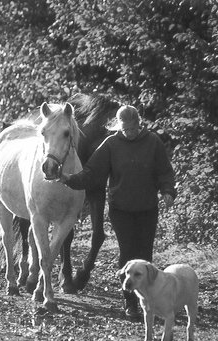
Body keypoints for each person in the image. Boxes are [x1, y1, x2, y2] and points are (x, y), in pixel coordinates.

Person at [60, 105, 177, 318]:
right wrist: (69, 179)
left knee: (145, 256)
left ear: (139, 125)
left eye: (132, 129)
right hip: (121, 209)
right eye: (124, 129)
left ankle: (146, 299)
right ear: (118, 126)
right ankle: (130, 302)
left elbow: (165, 171)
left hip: (147, 208)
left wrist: (168, 190)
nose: (128, 133)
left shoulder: (152, 142)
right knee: (128, 254)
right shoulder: (112, 144)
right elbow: (92, 172)